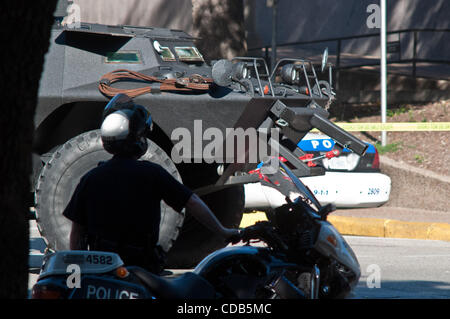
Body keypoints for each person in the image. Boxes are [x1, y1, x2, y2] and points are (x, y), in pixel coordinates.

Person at [63, 93, 240, 273]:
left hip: (101, 269)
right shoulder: (152, 174)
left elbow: (77, 231)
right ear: (138, 140)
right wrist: (223, 231)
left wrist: (79, 270)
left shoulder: (91, 178)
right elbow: (192, 202)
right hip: (141, 268)